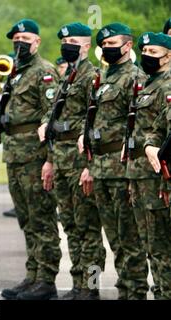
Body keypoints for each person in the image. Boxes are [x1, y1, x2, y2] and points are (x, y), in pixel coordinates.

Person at [77, 23, 149, 300]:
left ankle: (135, 292)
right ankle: (124, 290)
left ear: (128, 45)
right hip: (101, 168)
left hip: (122, 169)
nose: (107, 49)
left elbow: (141, 125)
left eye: (112, 44)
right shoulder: (104, 78)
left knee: (129, 238)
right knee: (114, 238)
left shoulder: (135, 77)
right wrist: (90, 166)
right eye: (104, 45)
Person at [0, 19, 61, 300]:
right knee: (26, 219)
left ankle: (46, 280)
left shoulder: (44, 72)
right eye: (15, 38)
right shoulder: (17, 72)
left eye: (24, 38)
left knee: (42, 218)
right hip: (16, 154)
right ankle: (32, 275)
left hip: (35, 155)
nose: (19, 42)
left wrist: (49, 160)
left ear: (37, 42)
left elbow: (52, 116)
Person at [38, 22, 106, 300]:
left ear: (87, 46)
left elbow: (98, 122)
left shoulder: (93, 77)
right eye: (64, 42)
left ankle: (90, 287)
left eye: (74, 42)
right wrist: (50, 160)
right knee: (71, 225)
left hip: (81, 161)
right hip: (62, 159)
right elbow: (56, 122)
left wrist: (91, 165)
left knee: (88, 226)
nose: (67, 46)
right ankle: (78, 283)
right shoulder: (68, 77)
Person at [133, 32, 171, 300]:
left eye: (153, 52)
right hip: (146, 173)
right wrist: (148, 145)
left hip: (160, 178)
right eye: (144, 51)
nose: (147, 56)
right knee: (153, 245)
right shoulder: (149, 84)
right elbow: (154, 131)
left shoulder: (168, 86)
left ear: (168, 56)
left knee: (162, 247)